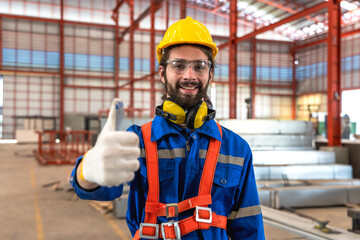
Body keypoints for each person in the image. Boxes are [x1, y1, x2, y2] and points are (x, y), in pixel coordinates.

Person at [70, 16, 264, 240]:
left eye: (200, 66)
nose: (189, 75)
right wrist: (89, 170)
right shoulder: (137, 141)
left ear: (210, 74)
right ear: (162, 73)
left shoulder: (236, 148)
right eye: (178, 65)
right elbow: (98, 190)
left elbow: (248, 226)